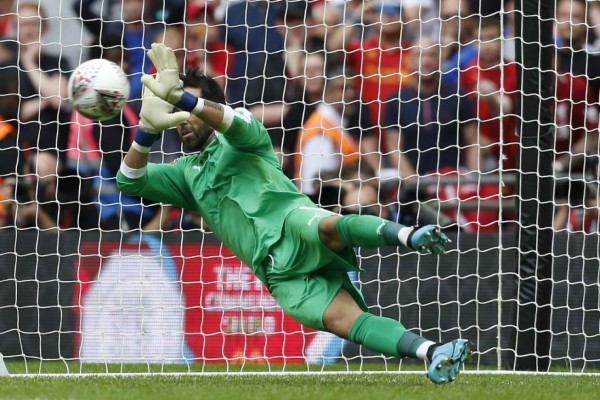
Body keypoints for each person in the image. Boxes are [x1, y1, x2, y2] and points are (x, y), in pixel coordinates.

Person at [116, 43, 470, 384]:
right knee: (345, 320)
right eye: (174, 113)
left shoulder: (243, 131)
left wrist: (182, 97)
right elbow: (129, 181)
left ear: (210, 104)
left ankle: (410, 235)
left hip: (293, 222)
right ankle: (434, 351)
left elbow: (232, 123)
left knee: (326, 226)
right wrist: (146, 131)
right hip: (275, 272)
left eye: (189, 110)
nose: (182, 119)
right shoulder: (184, 173)